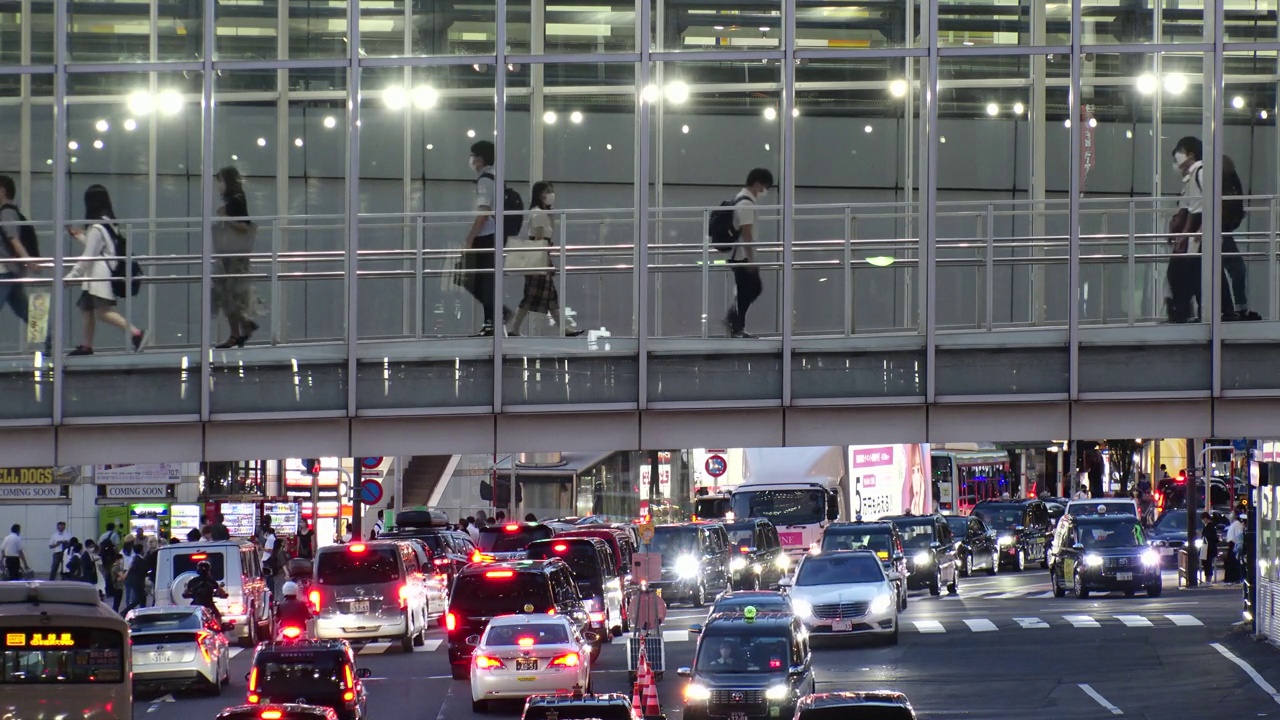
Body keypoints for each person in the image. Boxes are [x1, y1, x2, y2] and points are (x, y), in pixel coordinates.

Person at [65, 185, 146, 355]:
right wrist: (80, 236)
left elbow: (89, 256)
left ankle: (136, 333)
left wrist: (71, 276)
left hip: (98, 276)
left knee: (103, 312)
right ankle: (87, 345)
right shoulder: (108, 222)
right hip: (97, 275)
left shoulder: (96, 226)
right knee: (86, 309)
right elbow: (101, 248)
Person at [507, 182, 585, 337]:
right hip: (539, 257)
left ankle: (563, 329)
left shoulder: (543, 212)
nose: (550, 194)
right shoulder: (538, 213)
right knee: (534, 294)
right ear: (539, 194)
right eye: (547, 191)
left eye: (551, 191)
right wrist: (546, 250)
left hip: (541, 256)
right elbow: (539, 236)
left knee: (548, 296)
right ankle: (515, 329)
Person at [462, 140, 511, 336]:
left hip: (487, 236)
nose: (471, 160)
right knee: (485, 280)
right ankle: (493, 320)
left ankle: (495, 318)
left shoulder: (485, 180)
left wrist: (470, 238)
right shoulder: (496, 177)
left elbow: (483, 212)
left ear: (480, 158)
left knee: (474, 280)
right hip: (495, 234)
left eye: (473, 156)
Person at [719, 168, 773, 339]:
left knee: (747, 290)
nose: (764, 192)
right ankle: (734, 322)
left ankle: (736, 325)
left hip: (738, 255)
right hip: (741, 256)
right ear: (757, 184)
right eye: (765, 187)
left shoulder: (741, 199)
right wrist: (751, 260)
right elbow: (747, 234)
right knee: (752, 288)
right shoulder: (746, 204)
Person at [212, 166, 259, 348]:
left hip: (234, 256)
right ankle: (240, 329)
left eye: (220, 180)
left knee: (229, 295)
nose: (218, 185)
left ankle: (241, 329)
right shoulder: (234, 199)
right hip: (230, 254)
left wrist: (226, 218)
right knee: (227, 295)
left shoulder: (235, 200)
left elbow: (245, 227)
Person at [0, 175, 42, 348]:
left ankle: (51, 342)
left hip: (5, 271)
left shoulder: (6, 212)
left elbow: (13, 239)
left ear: (2, 191)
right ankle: (50, 342)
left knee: (26, 312)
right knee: (25, 311)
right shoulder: (9, 211)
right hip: (12, 271)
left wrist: (28, 261)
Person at [1200, 511, 1219, 584]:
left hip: (1208, 548)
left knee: (1207, 564)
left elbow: (1208, 537)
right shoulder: (1210, 526)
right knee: (1207, 564)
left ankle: (1208, 580)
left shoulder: (1209, 526)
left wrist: (1201, 534)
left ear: (1205, 518)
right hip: (1209, 548)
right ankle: (1208, 579)